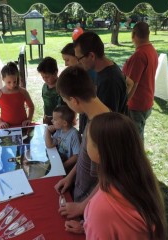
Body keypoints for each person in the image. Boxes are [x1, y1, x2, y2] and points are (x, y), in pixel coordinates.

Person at [67, 112, 167, 239]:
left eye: (88, 140)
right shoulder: (140, 181)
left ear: (100, 152)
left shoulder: (101, 208)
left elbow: (108, 220)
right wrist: (88, 227)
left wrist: (96, 225)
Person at [54, 66, 110, 223]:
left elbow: (109, 179)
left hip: (91, 206)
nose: (67, 104)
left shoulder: (102, 129)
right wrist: (70, 177)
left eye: (66, 101)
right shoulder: (94, 118)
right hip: (81, 193)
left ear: (74, 100)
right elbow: (84, 156)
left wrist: (82, 207)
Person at [74, 31, 128, 115]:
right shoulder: (104, 69)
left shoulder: (109, 80)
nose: (78, 62)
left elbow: (107, 120)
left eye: (79, 58)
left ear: (92, 56)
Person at [122, 22, 158, 141]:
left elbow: (130, 83)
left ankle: (137, 159)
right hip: (146, 100)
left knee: (135, 139)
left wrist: (123, 102)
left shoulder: (140, 54)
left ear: (134, 35)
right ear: (148, 34)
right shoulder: (152, 50)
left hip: (136, 104)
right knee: (136, 135)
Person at [60, 42, 97, 135]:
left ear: (77, 57)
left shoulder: (89, 75)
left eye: (67, 60)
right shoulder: (79, 74)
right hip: (84, 116)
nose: (65, 64)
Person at [0, 61, 34, 128]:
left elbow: (31, 106)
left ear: (17, 78)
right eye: (9, 82)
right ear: (3, 79)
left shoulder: (23, 92)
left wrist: (29, 119)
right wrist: (1, 122)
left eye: (14, 81)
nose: (12, 85)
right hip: (7, 127)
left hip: (23, 126)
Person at [45, 105, 80, 173]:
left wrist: (63, 166)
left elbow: (77, 156)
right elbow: (50, 145)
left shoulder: (74, 134)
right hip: (60, 161)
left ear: (64, 123)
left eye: (55, 119)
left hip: (69, 169)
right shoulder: (59, 131)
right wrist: (48, 131)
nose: (52, 121)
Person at [37, 57, 64, 125]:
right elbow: (46, 103)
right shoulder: (44, 86)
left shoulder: (62, 87)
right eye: (43, 77)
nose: (45, 79)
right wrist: (45, 116)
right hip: (47, 119)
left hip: (61, 121)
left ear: (55, 73)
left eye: (47, 77)